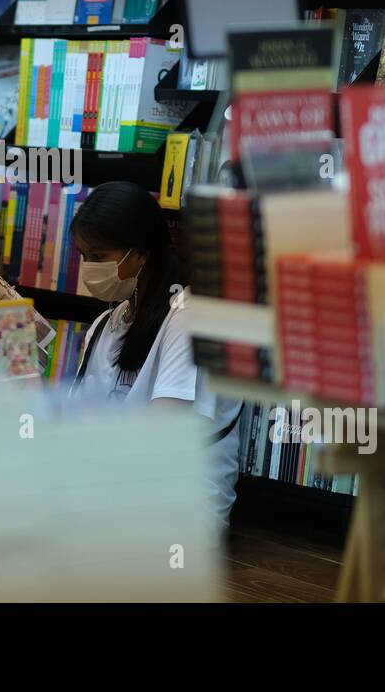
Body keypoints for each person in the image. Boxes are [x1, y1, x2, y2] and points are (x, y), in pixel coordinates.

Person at [66, 181, 244, 532]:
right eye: (84, 256)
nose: (89, 268)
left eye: (99, 256)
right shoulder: (107, 323)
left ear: (141, 252)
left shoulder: (191, 313)